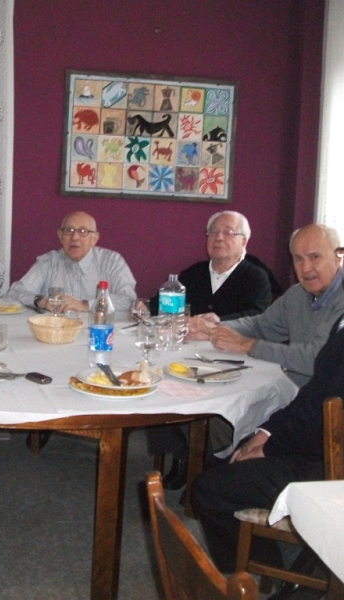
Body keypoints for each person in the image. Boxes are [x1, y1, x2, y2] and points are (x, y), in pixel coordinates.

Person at [191, 312, 344, 585]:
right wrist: (266, 432)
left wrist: (270, 448)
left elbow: (321, 422)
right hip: (311, 441)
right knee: (233, 450)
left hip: (329, 466)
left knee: (207, 489)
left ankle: (266, 569)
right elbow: (311, 395)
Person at [147, 211, 273, 490]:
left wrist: (217, 322)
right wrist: (142, 307)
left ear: (244, 241)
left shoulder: (256, 277)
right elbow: (159, 303)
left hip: (230, 356)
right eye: (213, 232)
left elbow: (257, 316)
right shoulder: (194, 273)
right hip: (186, 352)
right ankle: (179, 456)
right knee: (156, 379)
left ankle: (202, 458)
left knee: (198, 393)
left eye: (228, 233)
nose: (218, 238)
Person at [189, 224, 344, 387]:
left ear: (338, 257)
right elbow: (261, 326)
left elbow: (317, 359)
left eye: (314, 257)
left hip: (327, 405)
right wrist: (211, 328)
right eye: (298, 259)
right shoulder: (297, 294)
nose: (305, 268)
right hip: (292, 390)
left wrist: (247, 345)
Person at [8, 211, 137, 313]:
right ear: (60, 236)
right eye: (69, 231)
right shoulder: (48, 262)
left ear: (94, 239)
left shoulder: (112, 262)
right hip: (56, 335)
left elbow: (129, 300)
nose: (75, 237)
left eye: (83, 232)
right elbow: (14, 293)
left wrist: (85, 305)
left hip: (97, 330)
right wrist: (40, 301)